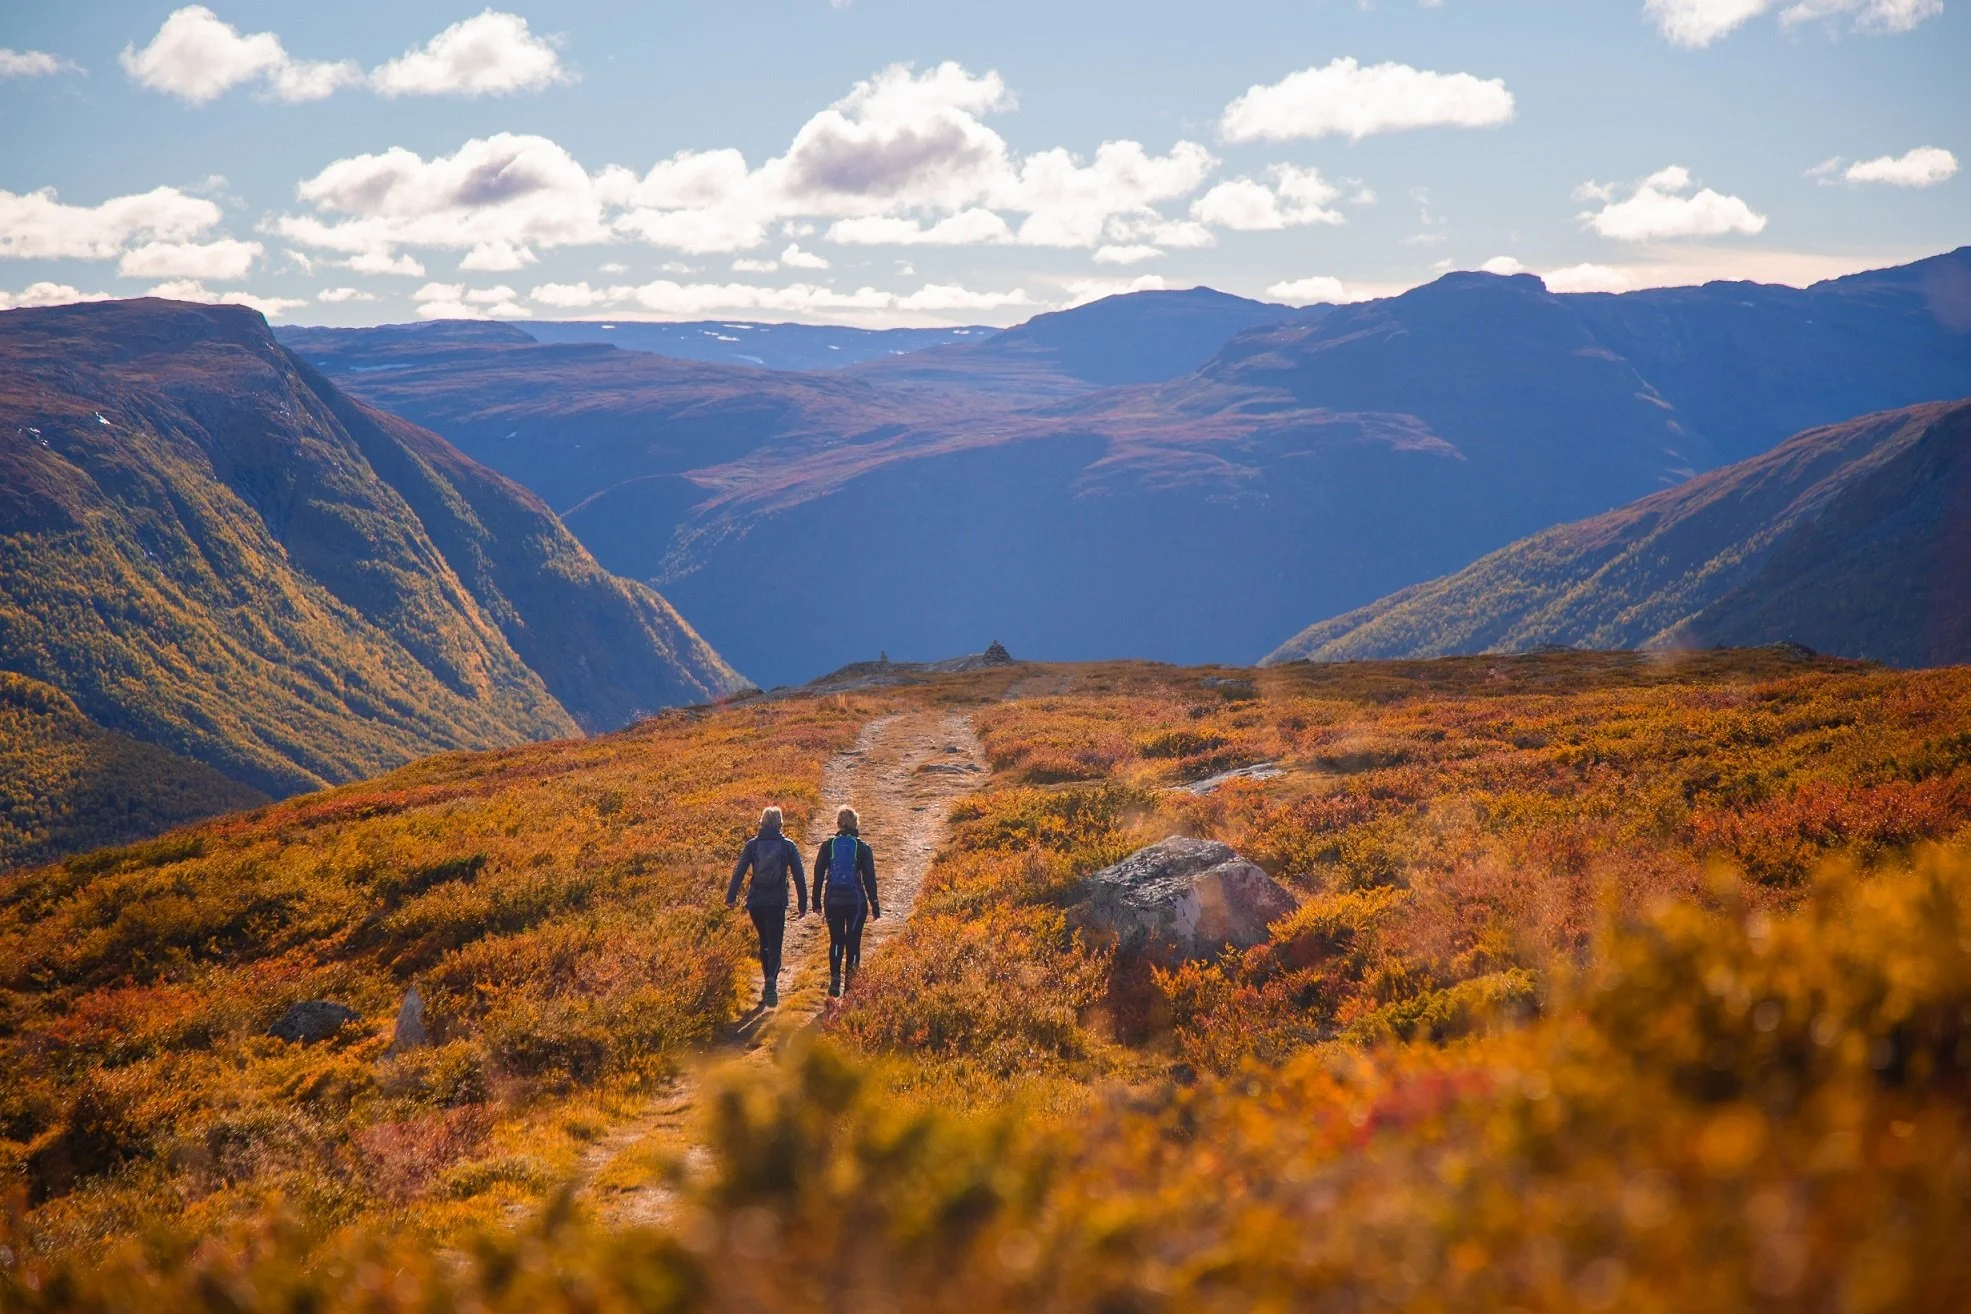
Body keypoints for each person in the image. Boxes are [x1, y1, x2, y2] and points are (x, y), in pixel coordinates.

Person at [726, 806, 806, 1008]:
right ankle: (771, 981)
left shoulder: (752, 845)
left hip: (756, 902)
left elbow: (739, 872)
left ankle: (767, 981)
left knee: (764, 942)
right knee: (775, 943)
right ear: (780, 823)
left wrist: (731, 897)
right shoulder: (788, 846)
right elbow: (799, 875)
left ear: (761, 822)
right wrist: (803, 902)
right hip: (777, 901)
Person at [812, 805, 881, 998]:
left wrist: (816, 901)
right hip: (856, 903)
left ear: (838, 824)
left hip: (833, 901)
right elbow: (869, 879)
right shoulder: (863, 848)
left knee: (836, 940)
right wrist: (875, 906)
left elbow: (818, 875)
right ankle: (850, 984)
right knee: (854, 943)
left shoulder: (827, 846)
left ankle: (835, 977)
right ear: (856, 824)